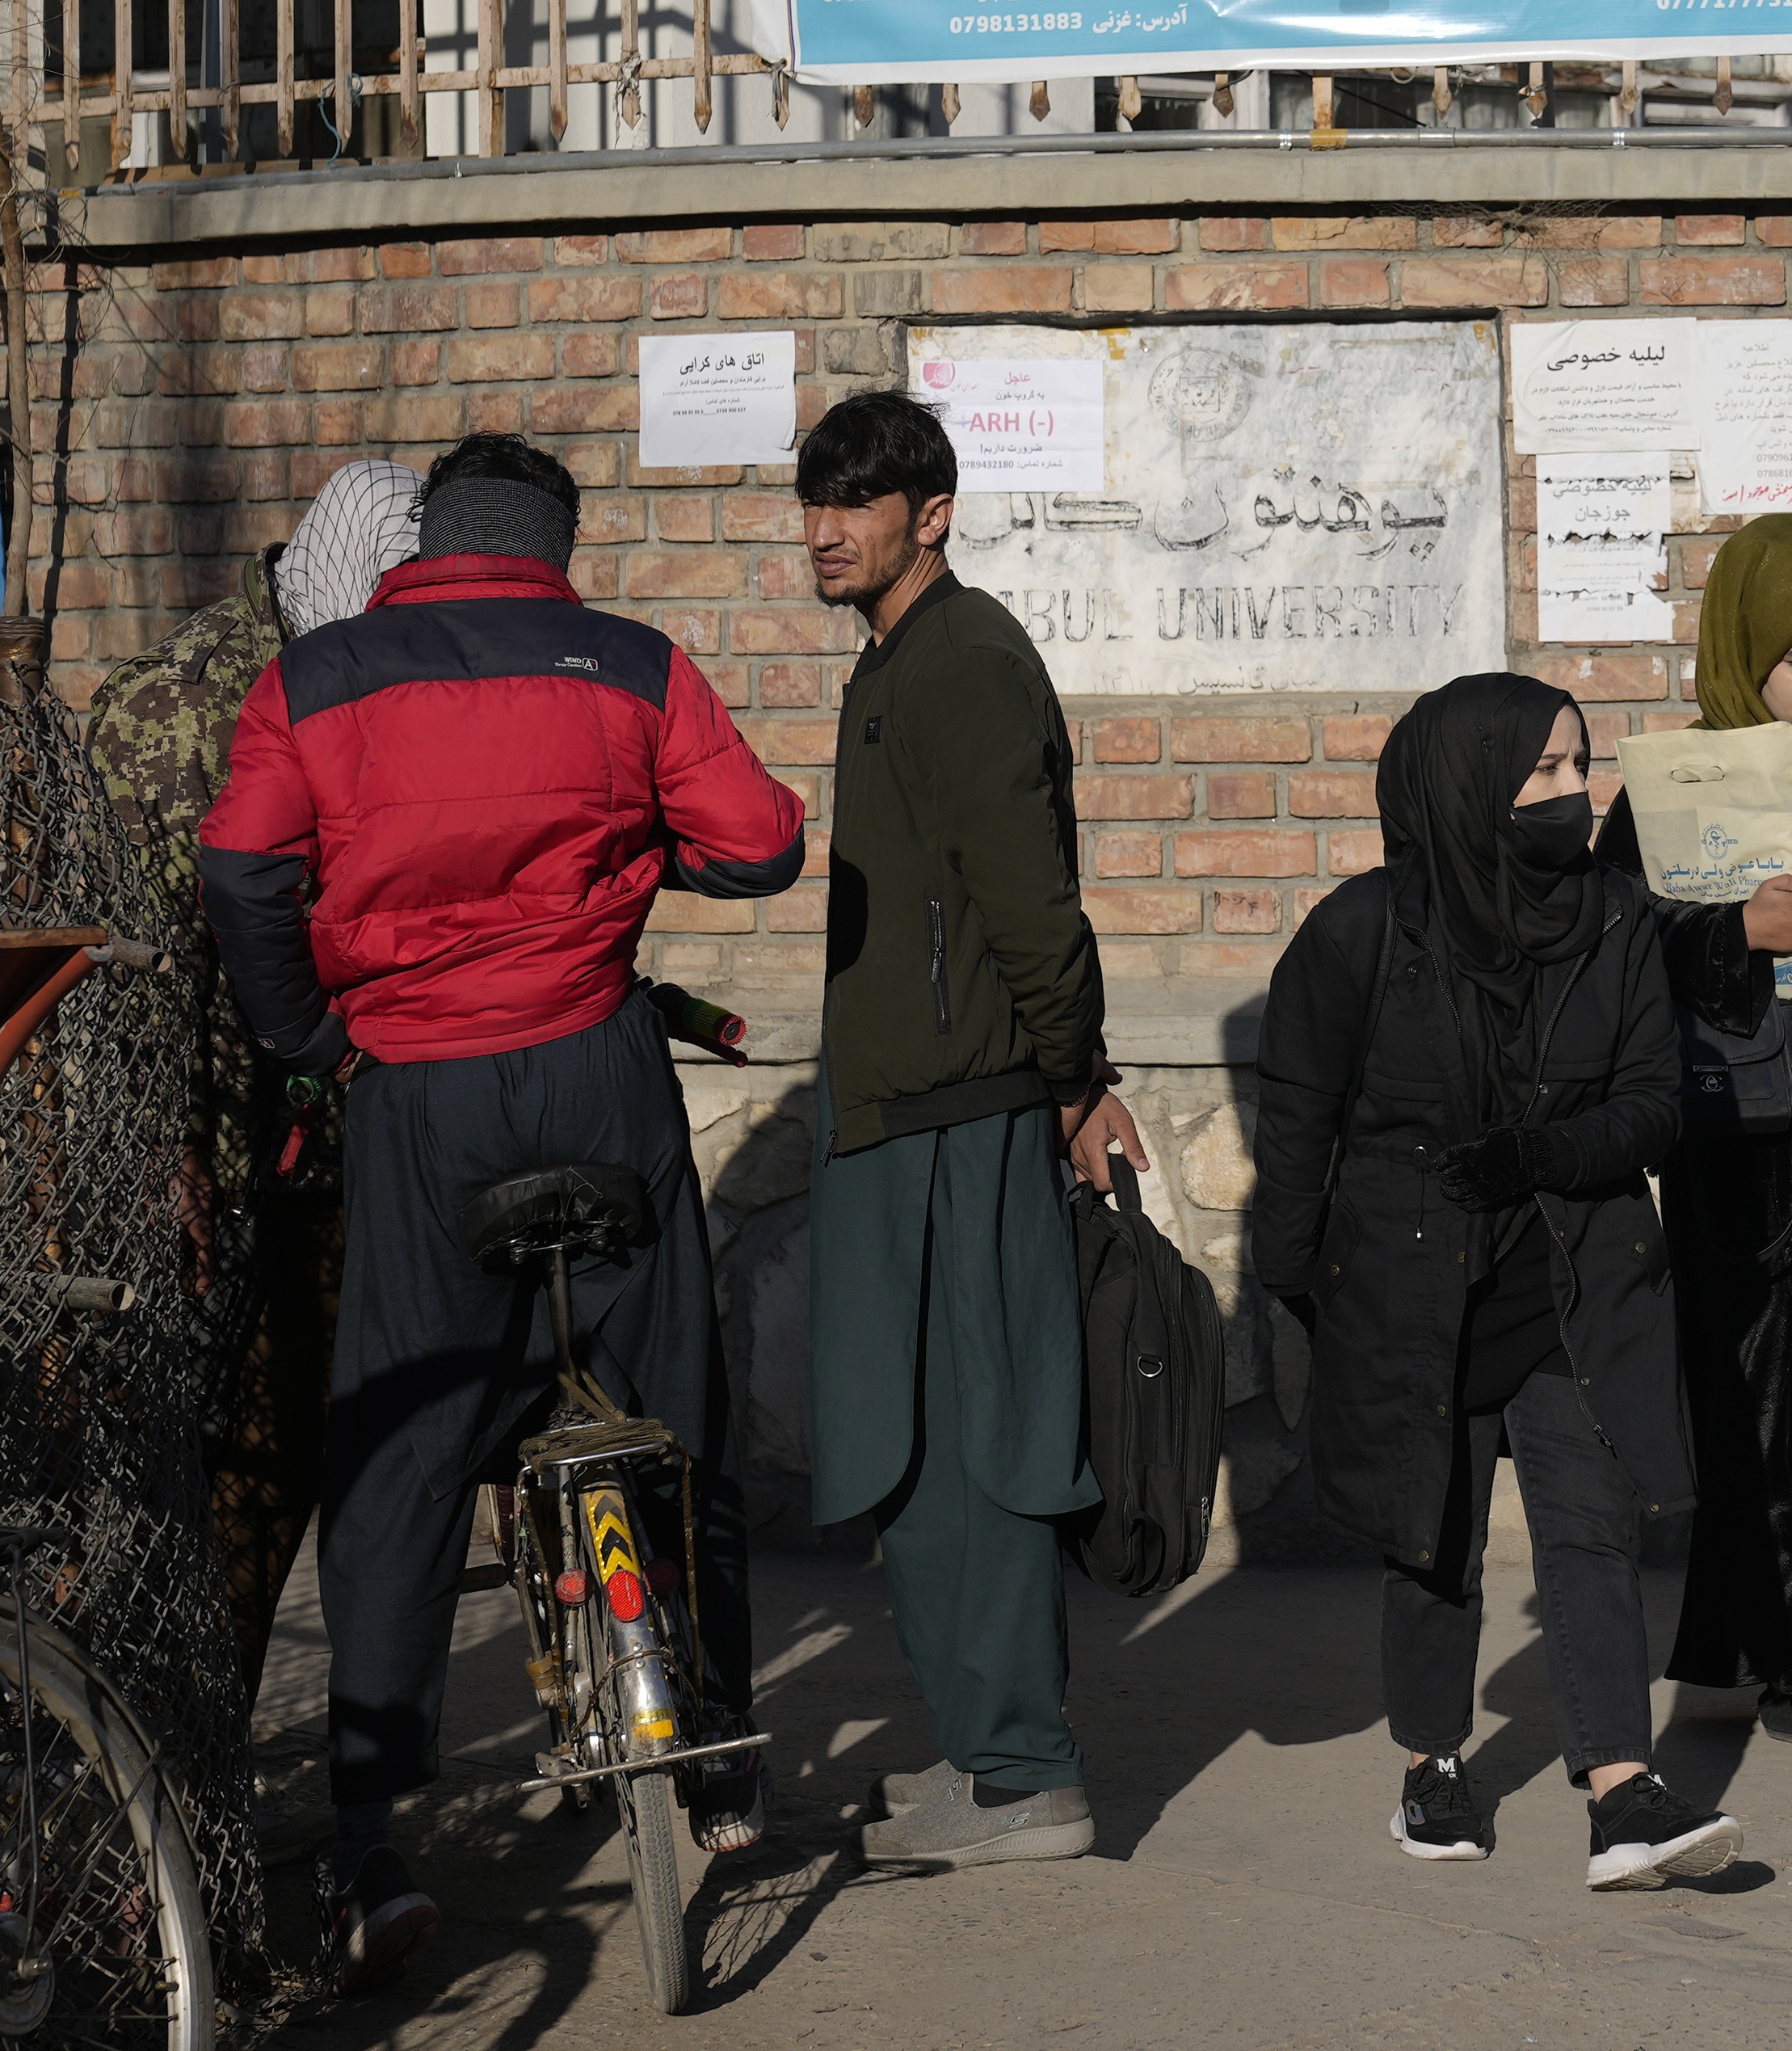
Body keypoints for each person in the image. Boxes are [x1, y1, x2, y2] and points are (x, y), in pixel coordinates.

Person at [199, 433, 803, 1977]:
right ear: (555, 541)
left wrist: (312, 1035)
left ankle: (372, 1842)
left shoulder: (322, 676)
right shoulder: (631, 663)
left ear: (426, 543)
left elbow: (242, 870)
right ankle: (718, 1750)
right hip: (599, 1068)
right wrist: (629, 856)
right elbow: (764, 842)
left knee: (398, 1449)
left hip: (415, 1093)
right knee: (677, 1406)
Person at [1254, 673, 1738, 1892]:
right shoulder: (1360, 933)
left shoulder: (1618, 919)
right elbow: (1300, 1121)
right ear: (1470, 783)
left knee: (1590, 1526)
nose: (1576, 795)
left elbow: (1651, 1107)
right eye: (1546, 772)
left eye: (1583, 767)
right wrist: (1302, 1282)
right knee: (1435, 1536)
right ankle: (1432, 1763)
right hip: (1408, 1289)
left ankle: (1622, 1791)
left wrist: (1542, 1154)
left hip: (1567, 1280)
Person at [800, 390, 1142, 1870]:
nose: (824, 530)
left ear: (928, 512)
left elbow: (1030, 908)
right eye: (811, 503)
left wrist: (1073, 1080)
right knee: (913, 1453)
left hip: (966, 1109)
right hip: (902, 1108)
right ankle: (984, 1755)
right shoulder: (897, 657)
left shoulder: (964, 664)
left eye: (855, 504)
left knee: (981, 1449)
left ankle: (1025, 1772)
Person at [90, 458, 422, 1696]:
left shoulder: (387, 671)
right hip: (217, 1165)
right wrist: (161, 1151)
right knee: (224, 1485)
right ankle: (184, 1781)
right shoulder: (171, 706)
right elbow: (129, 970)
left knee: (344, 1470)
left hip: (353, 1132)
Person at [1593, 514, 1792, 1747]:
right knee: (1758, 1377)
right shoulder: (1676, 787)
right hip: (1740, 1117)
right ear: (1745, 659)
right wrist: (1734, 934)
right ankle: (1780, 1653)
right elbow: (1611, 945)